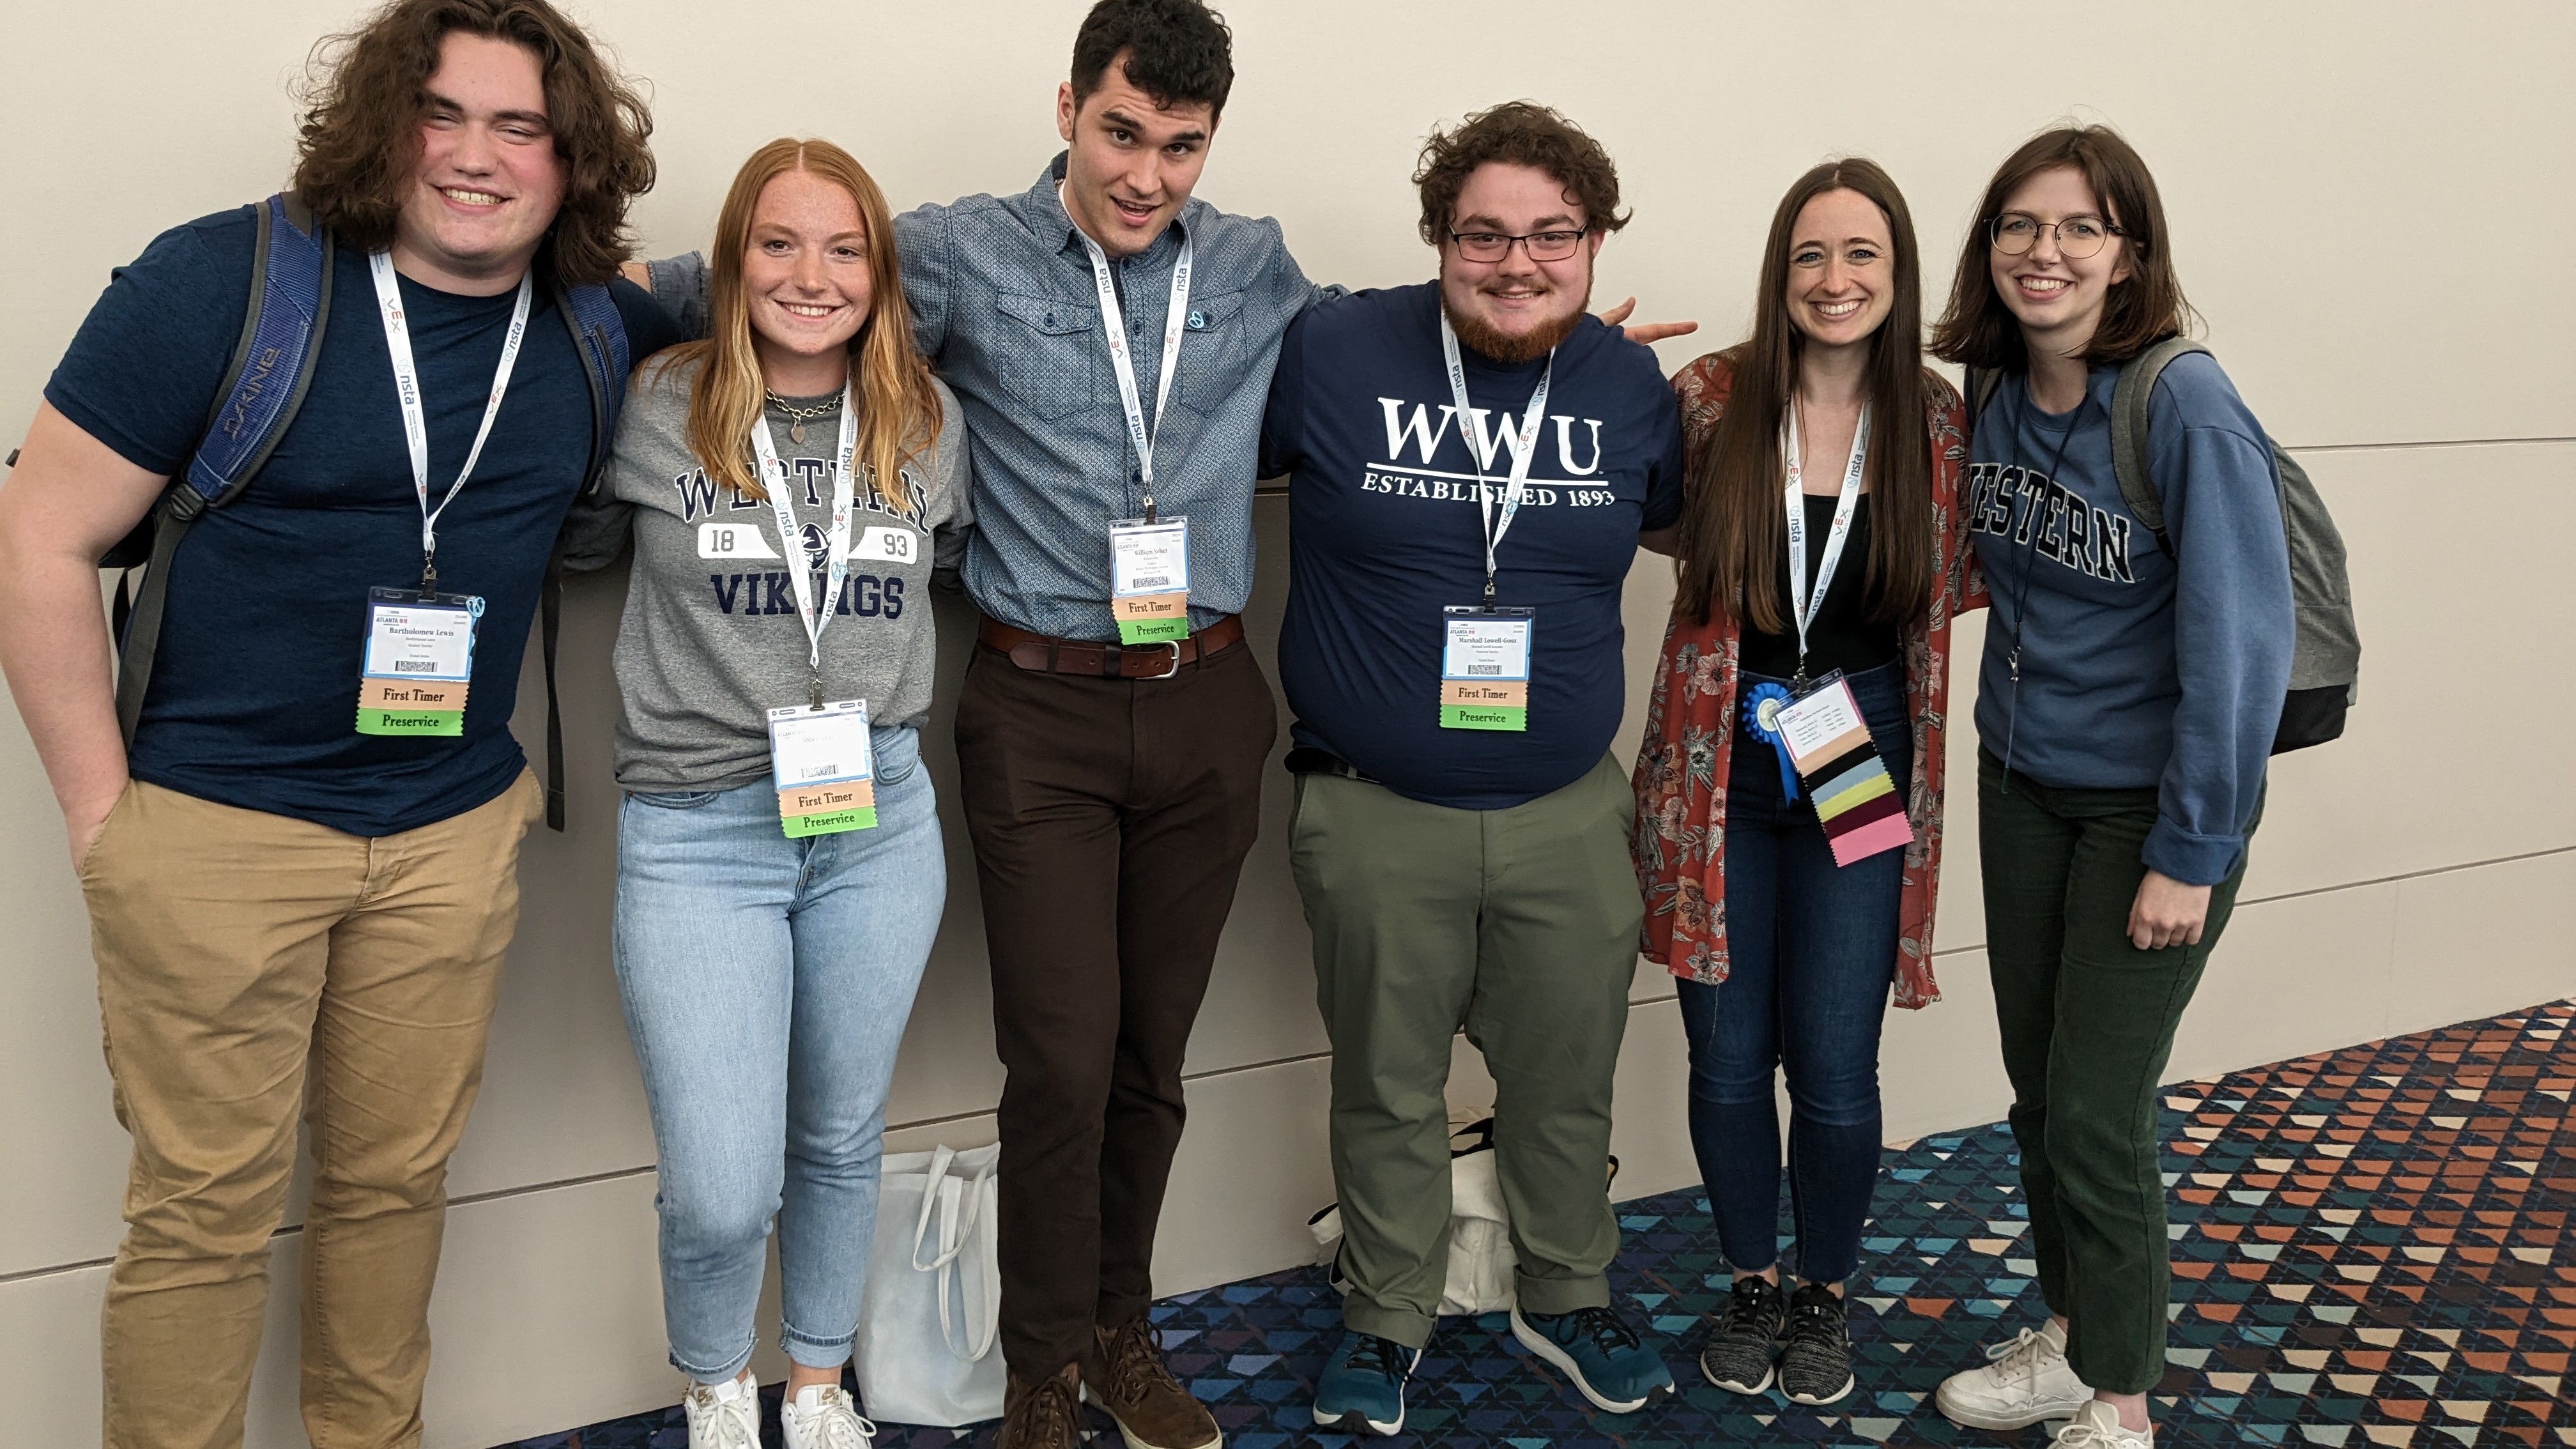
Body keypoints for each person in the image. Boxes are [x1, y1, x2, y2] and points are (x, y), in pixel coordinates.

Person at [0, 0, 677, 1445]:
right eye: (445, 116)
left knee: (392, 1190)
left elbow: (792, 287)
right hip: (213, 831)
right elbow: (39, 541)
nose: (480, 159)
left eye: (523, 129)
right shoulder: (216, 286)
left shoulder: (594, 322)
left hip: (444, 840)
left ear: (573, 164)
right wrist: (104, 822)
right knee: (202, 1213)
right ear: (384, 125)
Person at [1260, 101, 1685, 1436]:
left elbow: (1683, 522)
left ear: (1596, 237)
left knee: (1566, 1077)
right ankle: (1385, 1315)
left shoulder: (1627, 386)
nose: (1518, 262)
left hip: (1569, 814)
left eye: (1553, 235)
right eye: (1484, 235)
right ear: (1439, 237)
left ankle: (1566, 1292)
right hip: (1377, 815)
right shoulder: (1331, 349)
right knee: (1386, 1085)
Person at [561, 137, 965, 1449]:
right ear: (728, 266)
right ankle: (715, 1379)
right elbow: (571, 546)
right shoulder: (655, 403)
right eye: (778, 245)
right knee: (727, 1181)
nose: (813, 275)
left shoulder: (924, 418)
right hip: (700, 834)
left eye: (845, 248)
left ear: (881, 272)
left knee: (843, 1133)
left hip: (877, 822)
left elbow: (939, 565)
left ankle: (816, 1379)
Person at [1925, 125, 2291, 1449]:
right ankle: (2074, 1338)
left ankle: (2122, 1402)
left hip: (2153, 807)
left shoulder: (2183, 401)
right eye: (2021, 225)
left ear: (2128, 251)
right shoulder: (1995, 392)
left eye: (2081, 228)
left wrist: (2193, 848)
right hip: (2023, 785)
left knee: (2097, 1107)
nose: (2047, 252)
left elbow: (2241, 644)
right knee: (2039, 1090)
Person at [1629, 158, 1982, 1407]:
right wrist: (1580, 366)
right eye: (1811, 257)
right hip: (1722, 745)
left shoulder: (1941, 421)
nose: (1835, 282)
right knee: (1727, 1058)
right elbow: (1640, 510)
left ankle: (1826, 1293)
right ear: (1782, 273)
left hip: (1858, 745)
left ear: (1899, 273)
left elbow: (1976, 576)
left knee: (1833, 1062)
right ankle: (1748, 1277)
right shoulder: (1712, 398)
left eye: (1862, 256)